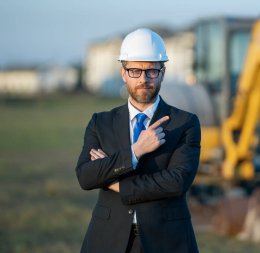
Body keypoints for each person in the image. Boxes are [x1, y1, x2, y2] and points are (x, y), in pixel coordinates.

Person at [75, 28, 201, 253]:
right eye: (135, 70)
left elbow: (176, 182)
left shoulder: (185, 123)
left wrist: (115, 182)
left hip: (167, 241)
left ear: (162, 72)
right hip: (108, 239)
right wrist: (135, 152)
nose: (143, 79)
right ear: (123, 73)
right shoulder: (100, 123)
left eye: (151, 71)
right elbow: (86, 176)